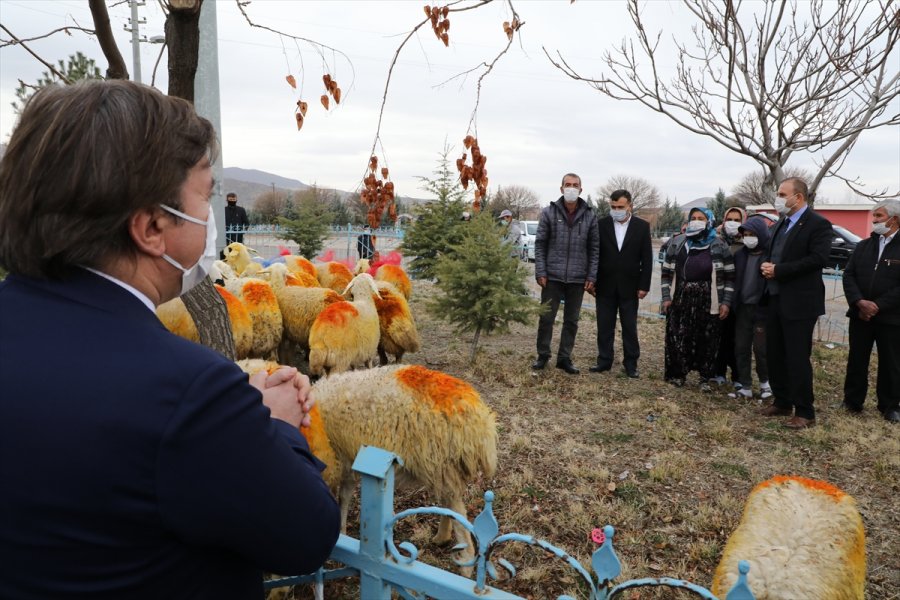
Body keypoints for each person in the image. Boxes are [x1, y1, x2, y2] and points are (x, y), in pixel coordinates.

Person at [0, 80, 340, 599]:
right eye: (203, 198)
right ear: (153, 227)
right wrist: (273, 428)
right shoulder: (188, 391)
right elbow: (307, 535)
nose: (210, 219)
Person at [758, 177, 833, 429]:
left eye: (782, 194)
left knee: (797, 356)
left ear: (798, 197)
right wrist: (767, 267)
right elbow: (773, 252)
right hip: (775, 297)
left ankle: (805, 411)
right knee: (775, 352)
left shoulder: (818, 224)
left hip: (800, 302)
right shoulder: (781, 223)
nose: (778, 198)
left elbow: (818, 259)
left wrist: (780, 270)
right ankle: (782, 401)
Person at [660, 207, 735, 391]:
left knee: (707, 339)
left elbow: (730, 277)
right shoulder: (678, 242)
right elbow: (666, 272)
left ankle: (705, 378)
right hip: (681, 295)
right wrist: (666, 297)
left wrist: (726, 301)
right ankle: (678, 374)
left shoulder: (719, 244)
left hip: (709, 298)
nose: (696, 220)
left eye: (700, 218)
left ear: (709, 221)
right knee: (678, 335)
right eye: (693, 217)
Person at [532, 173, 600, 374]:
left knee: (572, 321)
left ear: (581, 188)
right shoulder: (548, 213)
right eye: (568, 184)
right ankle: (543, 355)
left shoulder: (590, 215)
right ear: (561, 188)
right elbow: (540, 244)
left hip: (578, 278)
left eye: (575, 185)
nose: (571, 188)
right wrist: (540, 270)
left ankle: (564, 358)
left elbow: (594, 248)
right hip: (552, 276)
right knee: (546, 318)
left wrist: (591, 276)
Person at [841, 199, 900, 423]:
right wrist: (859, 302)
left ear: (893, 219)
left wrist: (878, 306)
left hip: (891, 317)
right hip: (860, 314)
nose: (874, 221)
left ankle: (890, 404)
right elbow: (849, 275)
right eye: (874, 216)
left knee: (891, 362)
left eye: (878, 216)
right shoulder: (864, 245)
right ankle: (852, 401)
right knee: (857, 359)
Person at [590, 189, 653, 378]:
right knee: (604, 325)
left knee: (629, 326)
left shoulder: (641, 227)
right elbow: (595, 254)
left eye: (620, 207)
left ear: (630, 206)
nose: (616, 210)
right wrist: (592, 280)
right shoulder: (601, 225)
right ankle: (604, 361)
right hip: (605, 285)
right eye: (613, 207)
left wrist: (644, 286)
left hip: (630, 286)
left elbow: (647, 259)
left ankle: (631, 363)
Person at [729, 215, 772, 400]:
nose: (748, 238)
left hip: (762, 309)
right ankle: (745, 385)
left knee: (762, 349)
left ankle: (766, 384)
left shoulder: (770, 256)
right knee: (741, 346)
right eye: (745, 234)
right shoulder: (740, 255)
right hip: (743, 308)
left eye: (752, 234)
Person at [711, 206, 746, 390]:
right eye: (730, 219)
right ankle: (718, 372)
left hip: (739, 296)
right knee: (719, 336)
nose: (733, 223)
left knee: (737, 338)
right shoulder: (716, 240)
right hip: (718, 295)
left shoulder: (747, 242)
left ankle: (738, 375)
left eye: (737, 219)